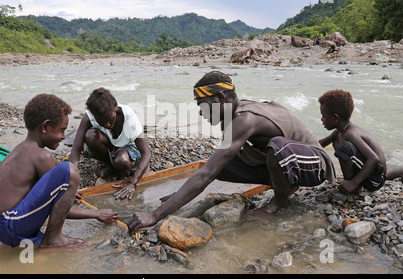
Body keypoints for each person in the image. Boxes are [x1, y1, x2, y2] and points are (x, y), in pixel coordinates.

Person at [128, 71, 335, 233]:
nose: (201, 112)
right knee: (221, 164)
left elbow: (206, 175)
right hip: (292, 164)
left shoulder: (244, 119)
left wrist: (154, 215)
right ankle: (287, 184)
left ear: (219, 98)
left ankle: (278, 203)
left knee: (277, 146)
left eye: (203, 105)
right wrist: (179, 195)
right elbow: (213, 167)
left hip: (315, 165)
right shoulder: (232, 116)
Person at [0, 94, 119, 249]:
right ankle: (54, 239)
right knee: (69, 171)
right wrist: (98, 213)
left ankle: (43, 238)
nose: (63, 137)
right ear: (45, 127)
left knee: (64, 177)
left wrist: (63, 193)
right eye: (62, 130)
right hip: (11, 225)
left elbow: (41, 191)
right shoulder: (42, 156)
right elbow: (62, 209)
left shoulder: (23, 149)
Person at [69, 87, 151, 200]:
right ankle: (111, 165)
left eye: (110, 119)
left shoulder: (129, 117)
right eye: (101, 122)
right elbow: (76, 150)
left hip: (127, 147)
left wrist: (133, 183)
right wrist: (71, 186)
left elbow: (146, 152)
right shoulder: (89, 117)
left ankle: (128, 164)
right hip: (109, 146)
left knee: (121, 161)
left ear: (115, 109)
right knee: (91, 135)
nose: (107, 125)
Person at [318, 89, 403, 195]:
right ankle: (400, 171)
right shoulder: (340, 131)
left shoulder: (351, 134)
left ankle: (352, 185)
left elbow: (374, 159)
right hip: (377, 173)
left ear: (335, 118)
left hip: (375, 181)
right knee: (336, 142)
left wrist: (353, 182)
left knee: (343, 148)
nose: (321, 120)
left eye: (323, 116)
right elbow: (319, 144)